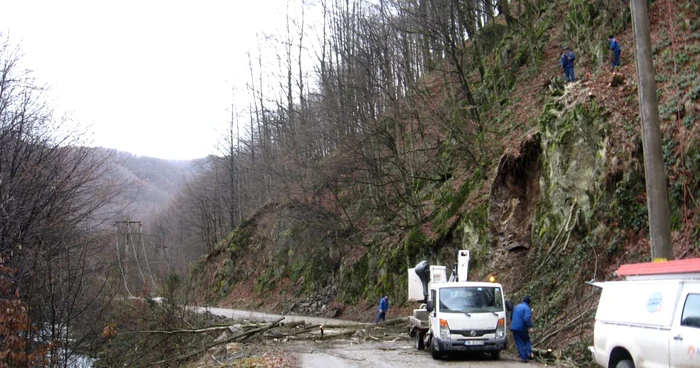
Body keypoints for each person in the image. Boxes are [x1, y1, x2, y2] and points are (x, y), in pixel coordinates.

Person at [511, 296, 533, 363]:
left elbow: (511, 317)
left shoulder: (516, 307)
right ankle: (528, 353)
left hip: (514, 327)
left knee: (519, 342)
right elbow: (526, 319)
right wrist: (530, 326)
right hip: (522, 328)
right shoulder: (526, 308)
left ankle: (524, 358)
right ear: (529, 303)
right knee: (526, 340)